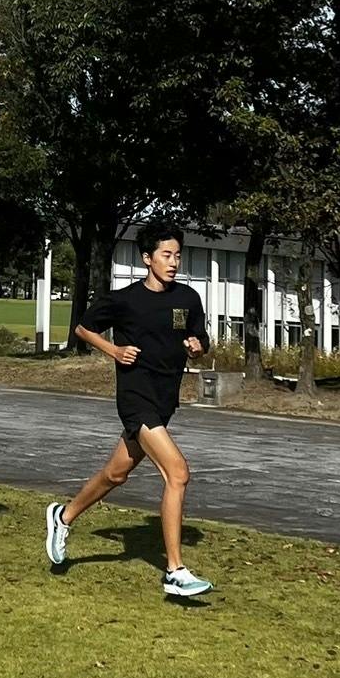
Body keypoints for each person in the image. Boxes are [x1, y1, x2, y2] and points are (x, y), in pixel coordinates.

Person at [44, 223, 214, 598]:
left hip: (164, 399)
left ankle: (63, 516)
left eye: (177, 255)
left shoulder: (187, 298)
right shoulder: (125, 300)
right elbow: (83, 329)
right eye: (166, 255)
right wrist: (115, 351)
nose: (173, 262)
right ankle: (175, 571)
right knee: (178, 473)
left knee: (116, 474)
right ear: (147, 258)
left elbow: (201, 338)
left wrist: (197, 346)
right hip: (136, 399)